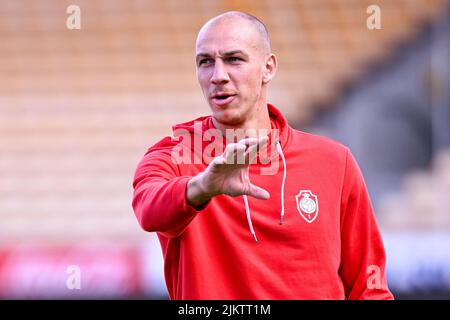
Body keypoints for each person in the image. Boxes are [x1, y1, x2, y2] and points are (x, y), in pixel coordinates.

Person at [132, 11, 394, 300]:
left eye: (234, 59)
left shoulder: (334, 161)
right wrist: (203, 187)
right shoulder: (175, 153)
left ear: (268, 68)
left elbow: (369, 287)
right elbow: (148, 210)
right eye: (205, 62)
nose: (218, 76)